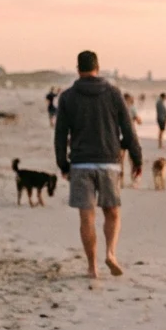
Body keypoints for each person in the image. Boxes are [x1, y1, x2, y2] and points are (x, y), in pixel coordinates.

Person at [54, 50, 142, 282]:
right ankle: (110, 253)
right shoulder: (113, 93)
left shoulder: (68, 97)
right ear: (98, 67)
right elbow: (128, 129)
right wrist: (137, 159)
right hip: (109, 163)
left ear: (78, 69)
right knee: (112, 212)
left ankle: (92, 267)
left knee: (87, 217)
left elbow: (60, 134)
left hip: (81, 164)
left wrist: (63, 164)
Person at [123, 93, 142, 186]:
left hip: (120, 135)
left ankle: (121, 181)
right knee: (132, 159)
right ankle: (133, 180)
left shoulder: (119, 107)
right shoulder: (132, 108)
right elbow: (139, 121)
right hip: (131, 135)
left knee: (120, 159)